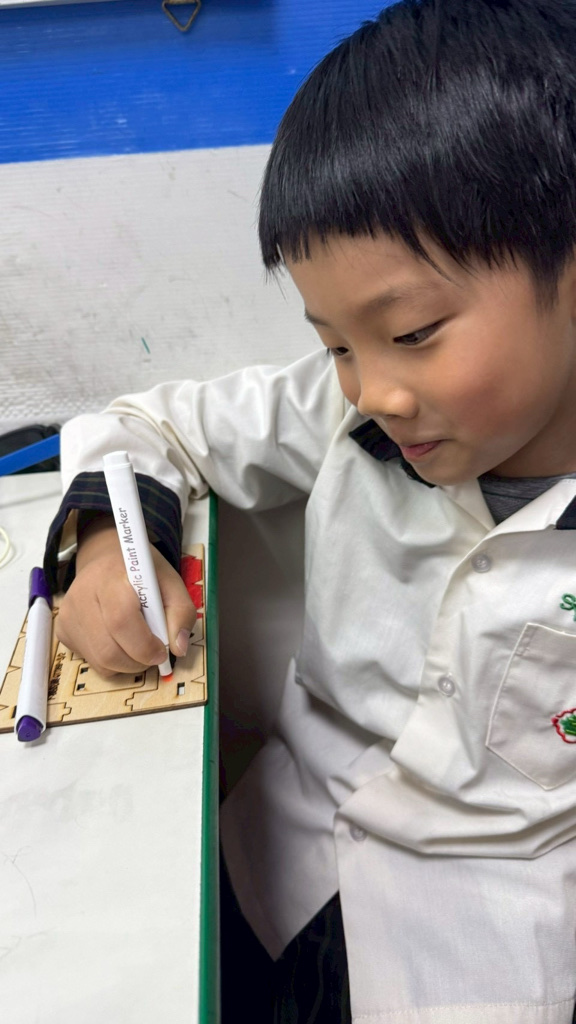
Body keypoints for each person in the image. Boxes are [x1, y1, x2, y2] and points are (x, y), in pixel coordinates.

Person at [43, 0, 576, 1020]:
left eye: (411, 333)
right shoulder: (349, 413)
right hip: (274, 875)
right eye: (335, 344)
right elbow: (153, 426)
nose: (372, 391)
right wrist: (113, 545)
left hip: (476, 959)